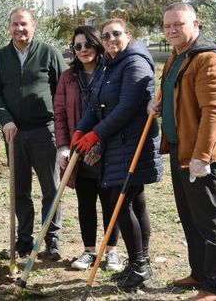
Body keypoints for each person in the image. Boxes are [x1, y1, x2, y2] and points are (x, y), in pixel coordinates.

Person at [148, 3, 216, 301]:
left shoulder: (207, 60)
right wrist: (158, 108)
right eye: (167, 25)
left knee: (209, 219)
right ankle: (199, 272)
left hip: (200, 156)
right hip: (180, 149)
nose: (171, 30)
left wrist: (203, 157)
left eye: (178, 24)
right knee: (190, 215)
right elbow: (178, 97)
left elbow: (214, 112)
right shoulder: (176, 57)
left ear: (195, 24)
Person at [71, 18, 162, 292]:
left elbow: (126, 108)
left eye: (116, 34)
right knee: (135, 203)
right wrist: (80, 130)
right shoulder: (108, 65)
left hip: (133, 145)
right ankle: (140, 264)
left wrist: (95, 135)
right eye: (106, 35)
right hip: (118, 146)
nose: (111, 39)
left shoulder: (135, 63)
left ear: (128, 35)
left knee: (120, 204)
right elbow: (93, 105)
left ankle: (139, 266)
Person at [0, 7, 68, 259]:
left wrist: (59, 122)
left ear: (33, 25)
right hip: (15, 133)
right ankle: (24, 238)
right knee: (19, 189)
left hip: (45, 131)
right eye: (14, 24)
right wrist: (6, 120)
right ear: (9, 27)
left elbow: (64, 88)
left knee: (50, 188)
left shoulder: (49, 53)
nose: (19, 29)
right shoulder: (0, 57)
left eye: (23, 24)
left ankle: (51, 237)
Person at [54, 26, 122, 271]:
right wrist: (63, 145)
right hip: (78, 149)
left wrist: (101, 143)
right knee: (85, 201)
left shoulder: (110, 72)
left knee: (109, 202)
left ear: (97, 45)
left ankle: (111, 251)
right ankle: (89, 251)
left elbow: (116, 112)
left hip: (107, 148)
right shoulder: (67, 77)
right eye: (78, 46)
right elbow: (60, 113)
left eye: (88, 44)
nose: (83, 50)